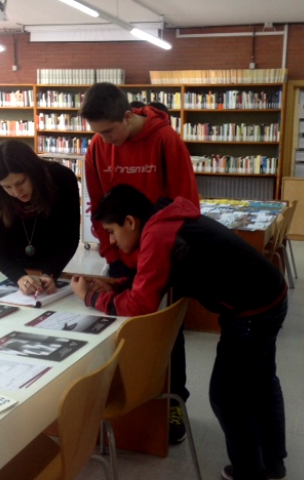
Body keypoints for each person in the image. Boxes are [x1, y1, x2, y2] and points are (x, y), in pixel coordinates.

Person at [71, 184, 288, 480]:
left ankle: (251, 472)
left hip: (252, 311)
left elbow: (140, 306)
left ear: (131, 222)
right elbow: (156, 276)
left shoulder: (158, 234)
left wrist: (91, 298)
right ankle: (273, 464)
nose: (111, 240)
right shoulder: (165, 217)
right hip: (269, 293)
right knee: (261, 383)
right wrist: (118, 286)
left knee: (227, 395)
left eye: (111, 231)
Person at [80, 82, 200, 443]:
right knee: (120, 329)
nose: (104, 139)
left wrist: (159, 250)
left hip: (164, 255)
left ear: (128, 116)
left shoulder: (165, 141)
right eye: (97, 133)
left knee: (167, 332)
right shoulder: (97, 149)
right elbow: (97, 208)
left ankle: (172, 400)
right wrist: (112, 252)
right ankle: (121, 399)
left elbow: (187, 203)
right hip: (122, 256)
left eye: (109, 131)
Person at [0, 140, 79, 296]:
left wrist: (50, 273)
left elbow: (69, 237)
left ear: (33, 171)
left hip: (48, 251)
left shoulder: (61, 179)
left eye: (21, 182)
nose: (17, 192)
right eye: (7, 187)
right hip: (6, 258)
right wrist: (19, 278)